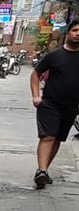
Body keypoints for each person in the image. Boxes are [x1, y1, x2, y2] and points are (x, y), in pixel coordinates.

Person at [31, 20, 79, 188]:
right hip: (50, 103)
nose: (77, 33)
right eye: (75, 30)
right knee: (48, 136)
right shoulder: (55, 55)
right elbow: (36, 73)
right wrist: (36, 96)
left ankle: (44, 171)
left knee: (57, 139)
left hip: (71, 106)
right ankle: (41, 171)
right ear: (68, 32)